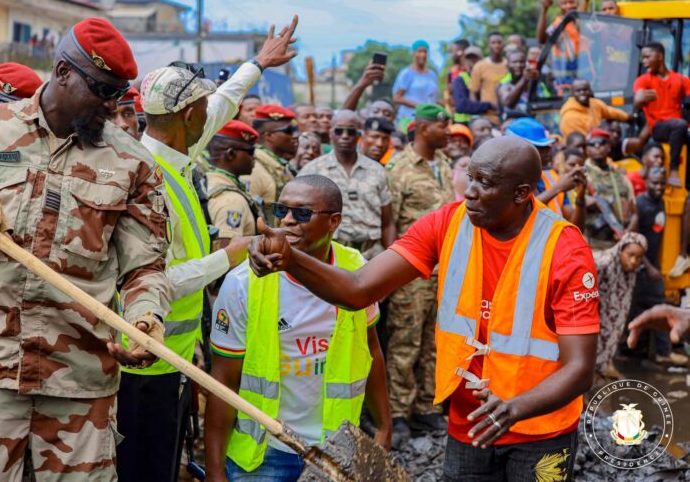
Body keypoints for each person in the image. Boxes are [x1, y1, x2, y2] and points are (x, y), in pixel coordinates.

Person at [250, 136, 599, 482]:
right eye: (471, 177)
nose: (469, 192)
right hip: (470, 423)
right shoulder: (447, 223)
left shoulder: (564, 250)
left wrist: (515, 408)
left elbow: (580, 368)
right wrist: (290, 258)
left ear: (522, 193)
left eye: (485, 183)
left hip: (540, 430)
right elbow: (359, 290)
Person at [0, 17, 173, 480]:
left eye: (119, 93)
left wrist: (145, 319)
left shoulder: (132, 163)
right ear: (62, 72)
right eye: (100, 89)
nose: (111, 105)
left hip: (81, 380)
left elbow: (146, 266)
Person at [119, 16, 298, 482]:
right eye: (201, 106)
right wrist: (229, 255)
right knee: (143, 467)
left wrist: (257, 64)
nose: (212, 116)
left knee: (165, 458)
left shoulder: (173, 151)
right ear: (186, 117)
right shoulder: (147, 181)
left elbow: (222, 103)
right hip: (141, 362)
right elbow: (154, 280)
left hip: (173, 353)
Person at [205, 175, 391, 481]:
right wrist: (214, 471)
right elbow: (224, 379)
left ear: (334, 222)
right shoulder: (243, 284)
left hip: (337, 448)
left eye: (302, 213)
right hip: (265, 453)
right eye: (282, 210)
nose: (288, 221)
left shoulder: (356, 271)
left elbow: (371, 350)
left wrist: (384, 427)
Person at [385, 104, 456, 442]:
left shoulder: (444, 164)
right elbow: (390, 224)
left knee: (434, 342)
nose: (450, 130)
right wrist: (395, 271)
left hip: (445, 272)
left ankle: (427, 408)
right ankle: (399, 412)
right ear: (423, 127)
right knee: (405, 343)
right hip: (412, 272)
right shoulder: (399, 169)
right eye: (443, 124)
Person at [299, 109, 395, 259]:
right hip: (329, 254)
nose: (344, 136)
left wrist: (390, 258)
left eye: (350, 132)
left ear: (359, 135)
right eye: (339, 131)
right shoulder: (312, 170)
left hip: (371, 254)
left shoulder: (376, 170)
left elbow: (388, 222)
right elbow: (299, 215)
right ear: (331, 134)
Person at [630, 168, 687, 365]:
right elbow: (634, 240)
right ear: (646, 182)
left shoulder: (663, 203)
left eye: (662, 183)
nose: (659, 187)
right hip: (642, 265)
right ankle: (660, 352)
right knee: (655, 302)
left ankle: (659, 351)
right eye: (655, 183)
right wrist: (648, 265)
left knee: (655, 305)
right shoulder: (641, 204)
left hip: (653, 263)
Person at [508, 118, 586, 230]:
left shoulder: (552, 177)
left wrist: (581, 197)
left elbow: (576, 227)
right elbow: (518, 216)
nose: (549, 150)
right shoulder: (506, 180)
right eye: (541, 147)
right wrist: (558, 188)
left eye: (549, 146)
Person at [633, 41, 690, 188]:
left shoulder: (679, 79)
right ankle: (673, 170)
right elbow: (637, 100)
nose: (644, 62)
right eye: (642, 58)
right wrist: (640, 98)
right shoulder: (644, 80)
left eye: (647, 57)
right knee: (680, 124)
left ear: (660, 56)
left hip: (678, 128)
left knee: (682, 126)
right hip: (659, 127)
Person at [593, 233, 647, 379]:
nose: (634, 261)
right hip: (595, 317)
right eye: (630, 255)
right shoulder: (602, 264)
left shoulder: (630, 271)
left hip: (609, 320)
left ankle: (602, 370)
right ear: (621, 250)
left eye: (639, 257)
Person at [207, 120, 264, 242]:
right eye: (250, 151)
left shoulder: (204, 181)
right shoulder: (231, 200)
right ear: (231, 154)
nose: (254, 157)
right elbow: (228, 254)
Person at [583, 128, 637, 248]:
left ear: (609, 147)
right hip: (595, 245)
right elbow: (574, 205)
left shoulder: (620, 177)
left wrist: (625, 233)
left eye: (602, 143)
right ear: (587, 149)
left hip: (621, 241)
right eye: (592, 144)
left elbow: (634, 212)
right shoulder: (583, 176)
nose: (597, 147)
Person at [247, 104, 298, 223]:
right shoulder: (255, 169)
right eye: (289, 131)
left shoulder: (278, 165)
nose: (295, 136)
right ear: (269, 136)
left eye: (295, 130)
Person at [536, 0, 594, 90]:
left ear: (577, 4)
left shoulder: (582, 23)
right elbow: (542, 39)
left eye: (571, 2)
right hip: (563, 81)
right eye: (564, 3)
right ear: (559, 6)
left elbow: (580, 22)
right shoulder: (557, 25)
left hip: (585, 78)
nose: (568, 6)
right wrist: (544, 10)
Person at [559, 79, 629, 139]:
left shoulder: (594, 103)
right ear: (573, 93)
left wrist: (628, 117)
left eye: (585, 90)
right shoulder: (569, 117)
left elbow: (610, 112)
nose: (582, 93)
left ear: (590, 91)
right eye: (578, 91)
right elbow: (581, 140)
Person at [496, 50, 551, 121]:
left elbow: (548, 104)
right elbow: (508, 103)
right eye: (514, 62)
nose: (518, 65)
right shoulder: (504, 86)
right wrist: (524, 79)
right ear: (507, 66)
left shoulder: (537, 85)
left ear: (526, 64)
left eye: (521, 62)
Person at [393, 39, 439, 123]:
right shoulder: (406, 73)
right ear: (413, 53)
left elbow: (432, 98)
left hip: (428, 119)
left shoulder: (432, 75)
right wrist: (419, 106)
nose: (423, 54)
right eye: (419, 51)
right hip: (409, 119)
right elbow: (396, 98)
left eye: (425, 52)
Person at [469, 32, 507, 125]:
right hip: (488, 118)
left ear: (503, 44)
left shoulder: (509, 64)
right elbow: (473, 93)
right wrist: (478, 112)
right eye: (493, 42)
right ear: (488, 45)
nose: (496, 45)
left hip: (508, 116)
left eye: (499, 42)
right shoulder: (480, 66)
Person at [452, 46, 493, 125]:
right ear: (464, 60)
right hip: (464, 123)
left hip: (487, 121)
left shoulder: (487, 79)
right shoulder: (460, 79)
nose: (472, 62)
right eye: (469, 58)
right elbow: (462, 105)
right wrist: (489, 105)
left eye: (475, 58)